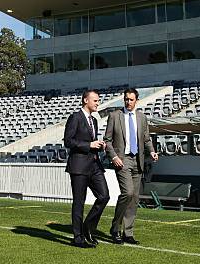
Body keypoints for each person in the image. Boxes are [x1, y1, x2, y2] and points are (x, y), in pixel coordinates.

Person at [104, 87, 158, 244]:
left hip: (138, 160)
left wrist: (152, 152)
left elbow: (146, 139)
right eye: (126, 99)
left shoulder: (142, 117)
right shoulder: (115, 116)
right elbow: (107, 140)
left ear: (137, 101)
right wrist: (113, 156)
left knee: (134, 198)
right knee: (127, 193)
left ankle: (128, 233)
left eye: (131, 99)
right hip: (122, 160)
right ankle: (115, 228)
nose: (128, 102)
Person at [63, 89, 110, 248]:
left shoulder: (94, 121)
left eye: (98, 100)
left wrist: (98, 145)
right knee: (79, 202)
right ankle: (78, 238)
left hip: (94, 165)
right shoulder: (75, 117)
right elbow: (68, 141)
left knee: (104, 196)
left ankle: (87, 227)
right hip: (78, 166)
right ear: (85, 100)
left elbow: (90, 142)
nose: (98, 103)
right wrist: (88, 145)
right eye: (95, 100)